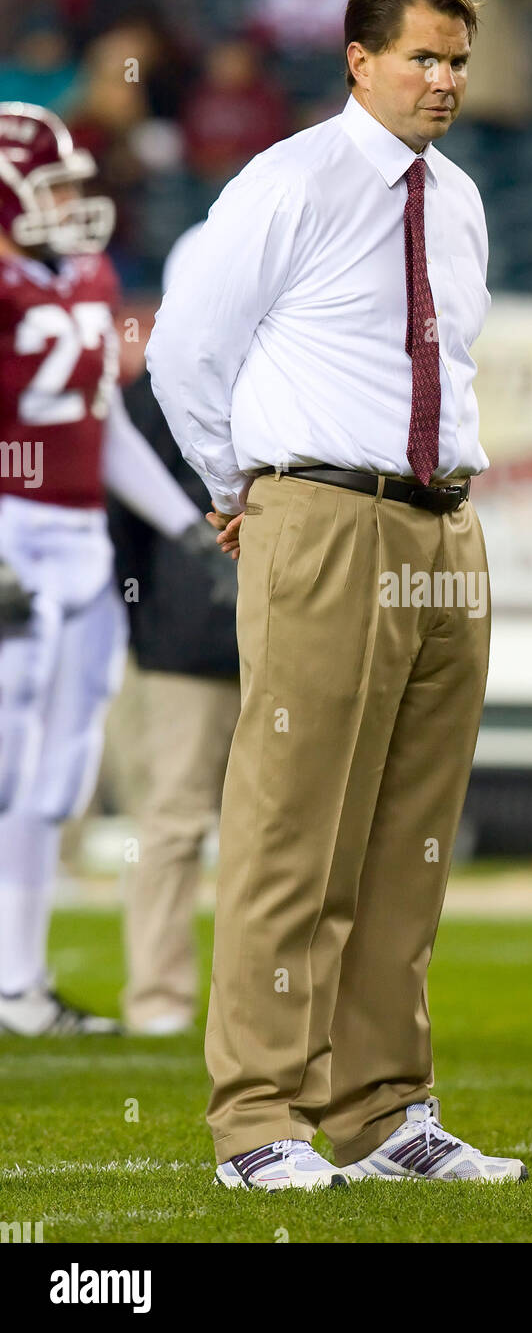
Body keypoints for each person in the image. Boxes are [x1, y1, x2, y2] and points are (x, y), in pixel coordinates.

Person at [147, 0, 526, 1189]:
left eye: (458, 60)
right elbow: (185, 346)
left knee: (409, 838)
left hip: (440, 527)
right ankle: (256, 1116)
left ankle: (381, 1111)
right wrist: (230, 488)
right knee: (289, 827)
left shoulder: (458, 197)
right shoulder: (289, 179)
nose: (444, 80)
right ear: (356, 59)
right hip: (323, 512)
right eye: (422, 56)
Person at [0, 101, 214, 1035]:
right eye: (49, 186)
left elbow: (104, 424)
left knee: (52, 781)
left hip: (79, 541)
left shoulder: (86, 272)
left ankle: (20, 984)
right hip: (12, 532)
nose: (71, 203)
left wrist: (184, 522)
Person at [110, 224, 241, 1037]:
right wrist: (141, 625)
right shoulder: (147, 398)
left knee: (200, 824)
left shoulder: (278, 384)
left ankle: (226, 1003)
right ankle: (157, 996)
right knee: (174, 821)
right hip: (187, 642)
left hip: (205, 636)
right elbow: (122, 529)